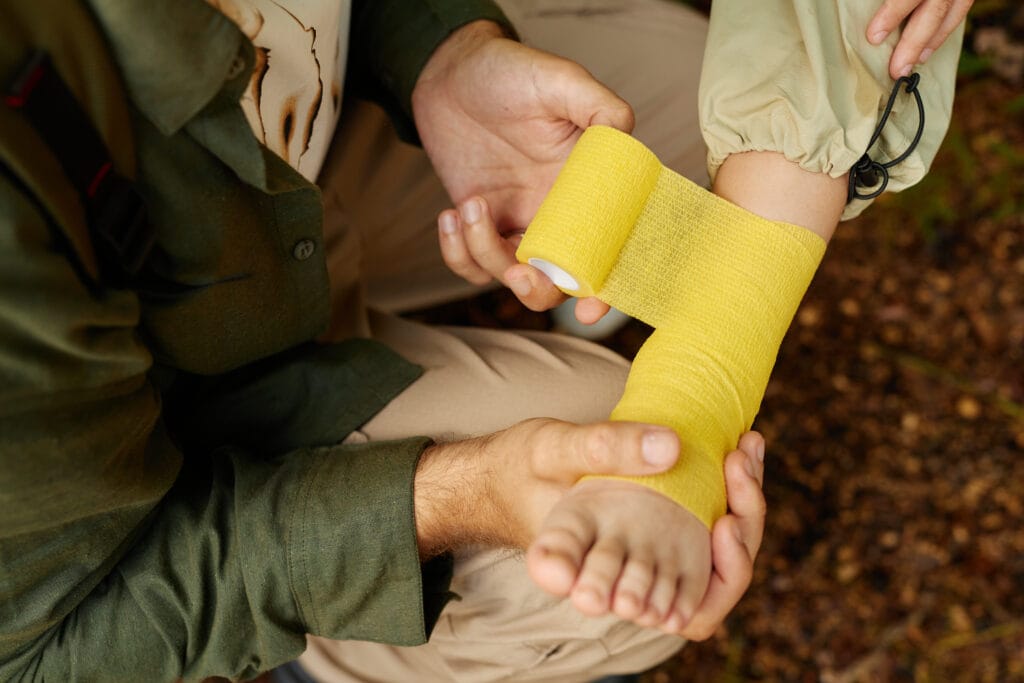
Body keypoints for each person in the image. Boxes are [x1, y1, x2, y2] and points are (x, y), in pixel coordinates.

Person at [0, 2, 967, 683]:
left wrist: (441, 52)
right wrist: (463, 495)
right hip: (162, 400)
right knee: (609, 523)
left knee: (675, 78)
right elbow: (50, 636)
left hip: (290, 162)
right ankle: (350, 655)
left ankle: (577, 288)